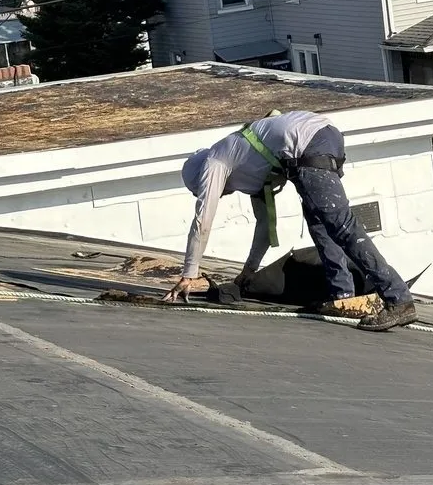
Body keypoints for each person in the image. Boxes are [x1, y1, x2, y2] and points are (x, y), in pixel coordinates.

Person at [163, 109, 418, 332]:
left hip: (311, 144)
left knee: (340, 223)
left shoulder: (215, 160)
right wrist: (248, 271)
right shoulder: (247, 164)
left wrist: (188, 274)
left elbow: (202, 220)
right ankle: (342, 295)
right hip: (322, 136)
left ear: (200, 180)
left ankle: (398, 298)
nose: (224, 193)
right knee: (319, 219)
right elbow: (264, 226)